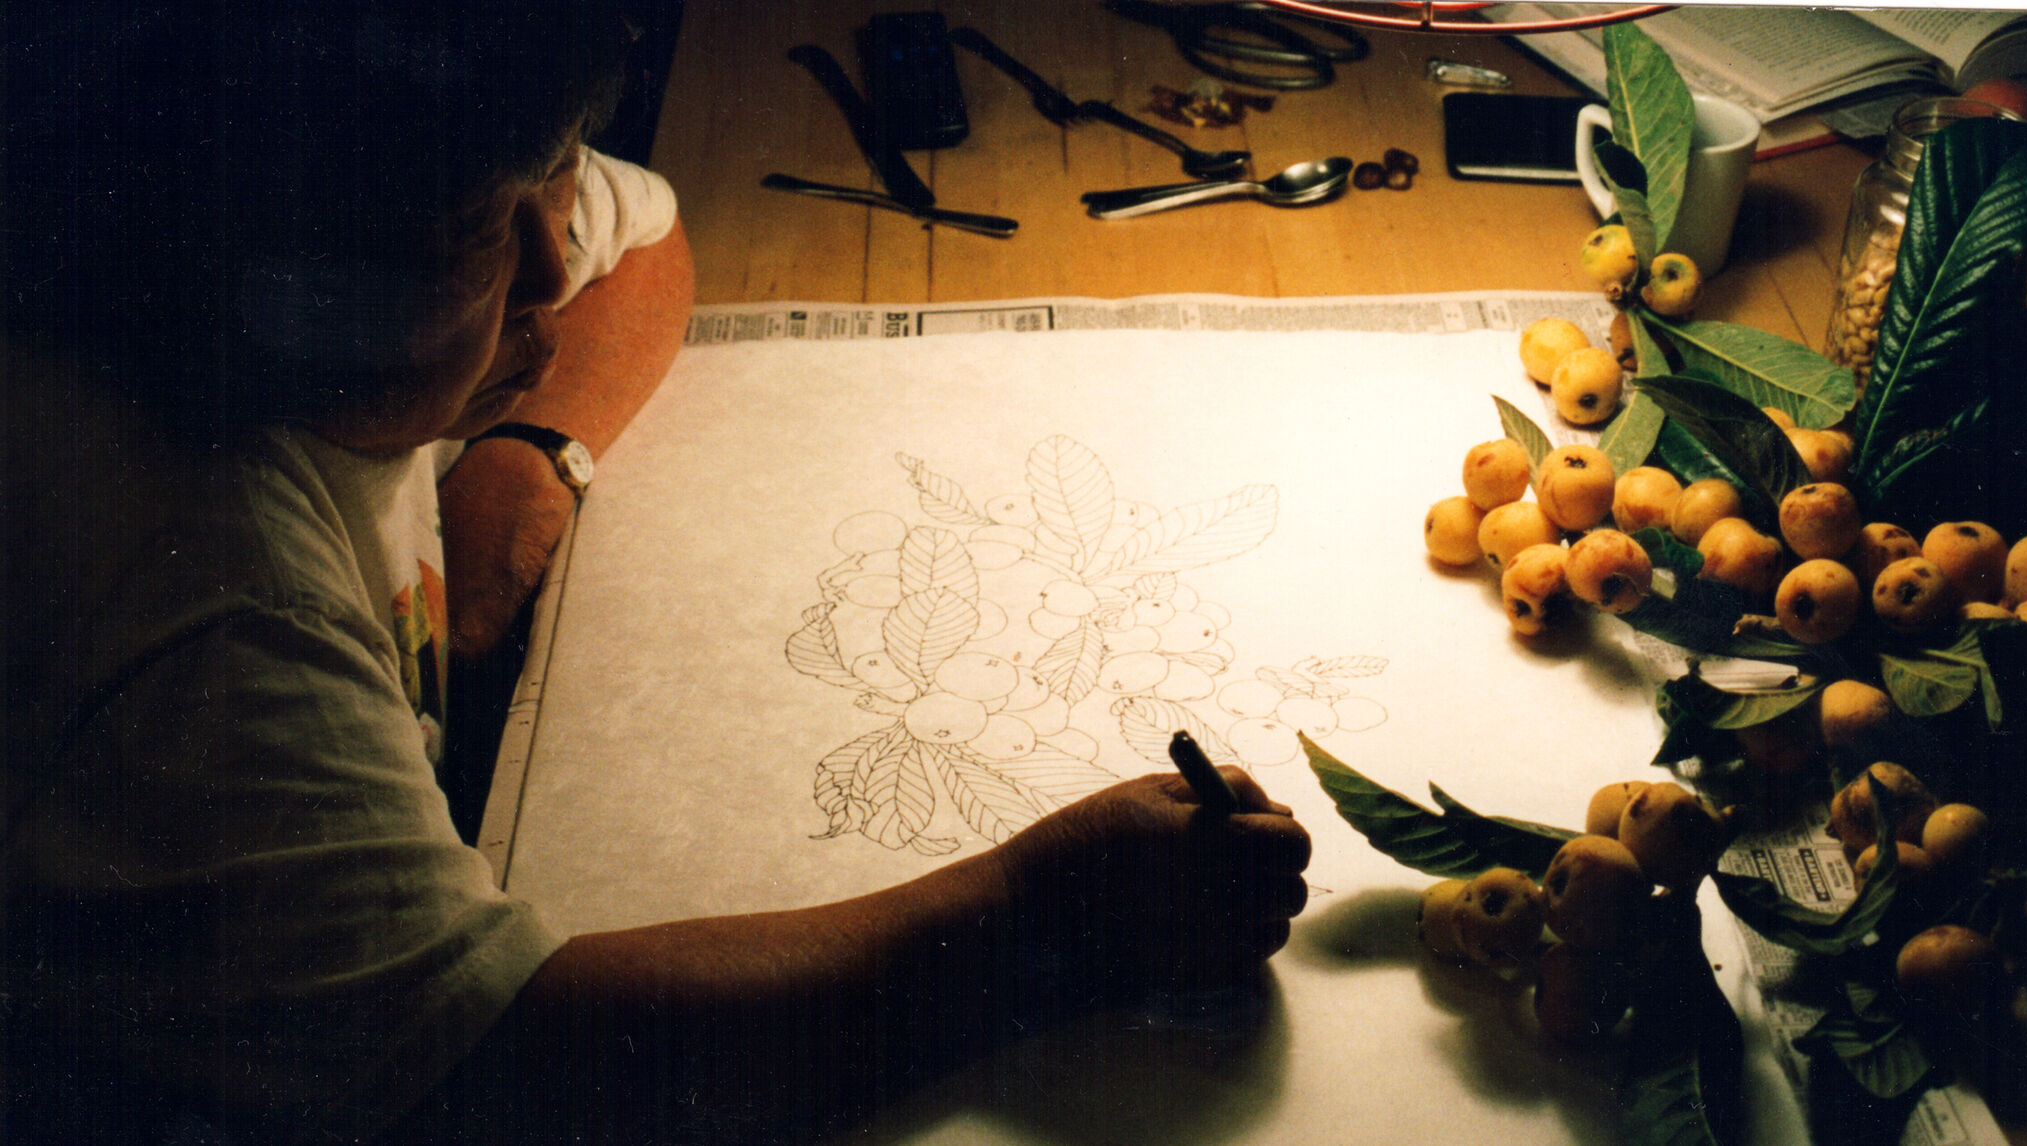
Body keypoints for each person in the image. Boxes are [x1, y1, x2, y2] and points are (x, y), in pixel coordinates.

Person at [3, 5, 1313, 1143]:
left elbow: (646, 242)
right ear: (257, 259)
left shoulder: (341, 213)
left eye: (553, 169)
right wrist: (1039, 918)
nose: (550, 265)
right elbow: (510, 1082)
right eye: (478, 233)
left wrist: (524, 455)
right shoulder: (203, 586)